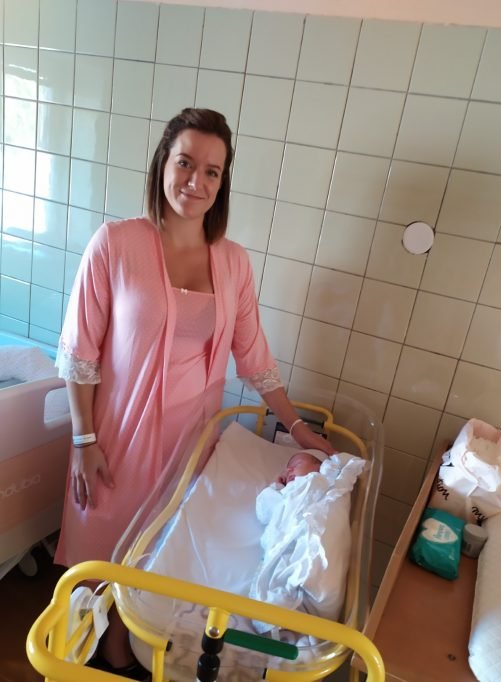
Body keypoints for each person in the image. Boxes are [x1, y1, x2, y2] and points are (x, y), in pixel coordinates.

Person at [55, 108, 334, 678]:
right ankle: (88, 650)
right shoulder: (116, 244)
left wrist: (297, 427)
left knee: (161, 549)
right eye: (185, 163)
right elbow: (80, 353)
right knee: (104, 548)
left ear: (223, 182)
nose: (195, 182)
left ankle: (127, 650)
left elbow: (254, 358)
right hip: (118, 435)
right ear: (163, 162)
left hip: (191, 441)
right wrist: (84, 440)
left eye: (212, 172)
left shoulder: (233, 262)